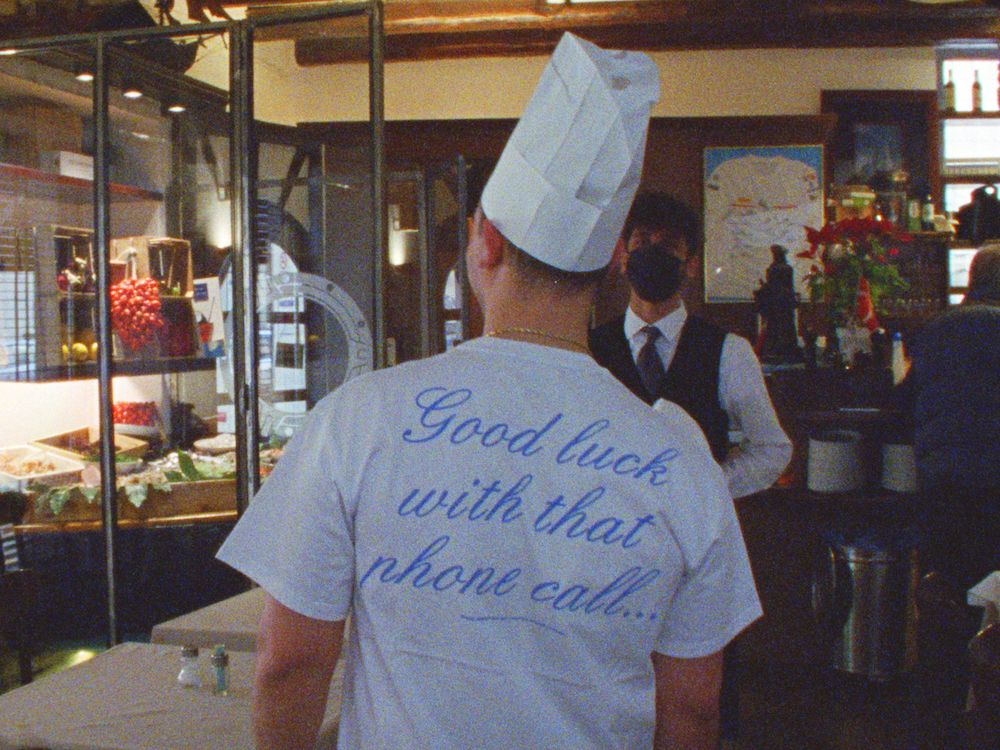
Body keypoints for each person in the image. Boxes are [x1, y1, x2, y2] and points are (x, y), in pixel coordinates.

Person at [217, 32, 761, 750]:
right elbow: (691, 708)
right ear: (610, 264)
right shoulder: (679, 455)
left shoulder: (357, 420)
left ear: (485, 242)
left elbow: (291, 663)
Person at [588, 192, 792, 501]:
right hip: (608, 518)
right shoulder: (588, 349)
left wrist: (707, 489)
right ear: (623, 258)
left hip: (697, 525)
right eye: (642, 241)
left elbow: (772, 449)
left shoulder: (729, 351)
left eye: (668, 246)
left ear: (692, 264)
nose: (653, 253)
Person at [906, 243, 1000, 747]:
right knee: (993, 601)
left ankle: (940, 710)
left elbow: (905, 400)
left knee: (945, 594)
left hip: (944, 485)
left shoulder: (939, 329)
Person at [910, 243, 1000, 592]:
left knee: (949, 583)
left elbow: (908, 394)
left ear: (973, 279)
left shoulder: (940, 326)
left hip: (945, 474)